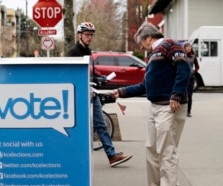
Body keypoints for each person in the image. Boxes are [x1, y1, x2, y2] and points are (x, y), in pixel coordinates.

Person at [111, 22, 191, 185]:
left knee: (166, 153)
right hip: (155, 107)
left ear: (148, 37)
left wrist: (176, 94)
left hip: (169, 107)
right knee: (151, 151)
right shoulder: (153, 55)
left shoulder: (170, 45)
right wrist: (120, 92)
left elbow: (184, 69)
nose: (141, 47)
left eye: (141, 43)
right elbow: (145, 85)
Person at [67, 22, 132, 167]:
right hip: (81, 95)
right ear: (79, 35)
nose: (89, 37)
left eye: (91, 35)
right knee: (80, 126)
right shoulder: (73, 53)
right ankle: (74, 158)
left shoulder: (89, 51)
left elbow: (90, 71)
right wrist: (93, 78)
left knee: (101, 124)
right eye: (86, 35)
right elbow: (72, 74)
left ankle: (112, 155)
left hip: (92, 93)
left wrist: (99, 77)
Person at [184, 42, 200, 117]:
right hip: (183, 78)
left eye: (189, 47)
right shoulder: (182, 56)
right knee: (183, 95)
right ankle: (182, 111)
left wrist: (194, 71)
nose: (188, 48)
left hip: (191, 78)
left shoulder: (193, 57)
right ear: (184, 48)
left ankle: (188, 111)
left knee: (189, 95)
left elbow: (197, 67)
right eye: (187, 47)